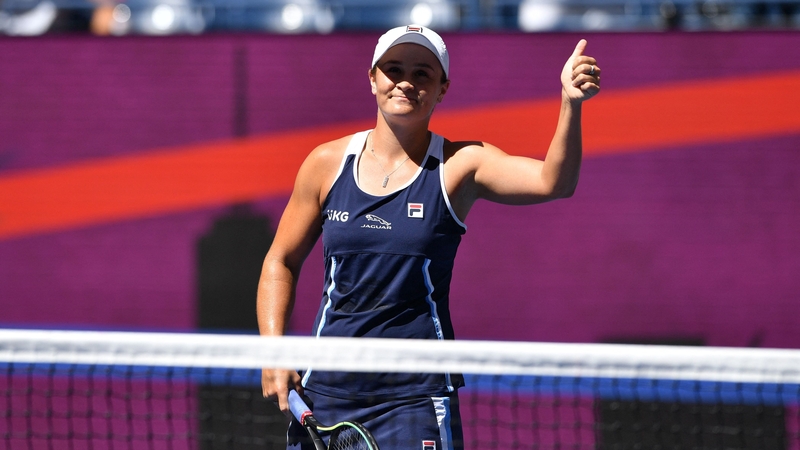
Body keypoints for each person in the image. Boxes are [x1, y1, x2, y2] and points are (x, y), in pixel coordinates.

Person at [257, 24, 600, 450]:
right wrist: (272, 351)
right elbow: (280, 261)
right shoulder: (325, 164)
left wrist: (570, 103)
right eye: (393, 69)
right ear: (372, 78)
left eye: (423, 74)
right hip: (325, 391)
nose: (405, 81)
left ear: (442, 89)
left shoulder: (461, 164)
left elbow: (554, 181)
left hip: (414, 399)